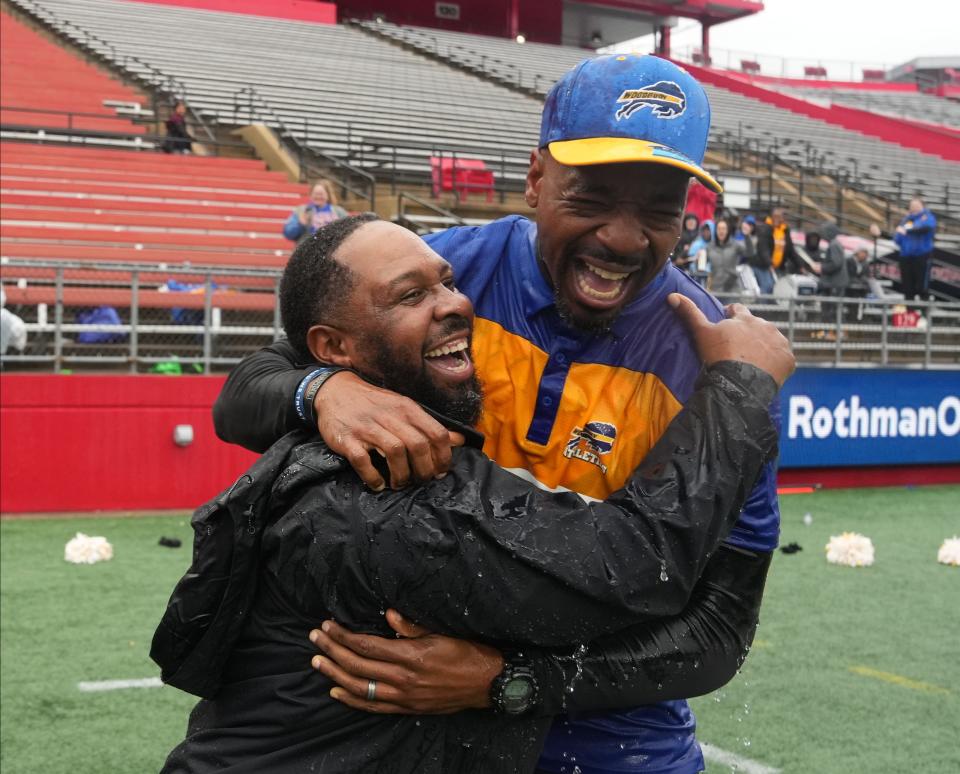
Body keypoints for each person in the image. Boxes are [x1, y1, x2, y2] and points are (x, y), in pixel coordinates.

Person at [213, 54, 785, 774]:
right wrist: (325, 389)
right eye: (594, 195)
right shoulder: (444, 276)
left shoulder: (725, 370)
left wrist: (505, 681)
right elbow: (243, 394)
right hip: (415, 732)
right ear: (537, 178)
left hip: (616, 744)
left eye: (659, 209)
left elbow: (720, 632)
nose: (622, 236)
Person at [887, 198, 937, 302]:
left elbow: (926, 228)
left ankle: (924, 314)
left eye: (916, 205)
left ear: (922, 206)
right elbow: (898, 237)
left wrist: (908, 231)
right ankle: (909, 312)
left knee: (922, 286)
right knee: (907, 287)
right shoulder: (907, 220)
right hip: (906, 255)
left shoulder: (927, 217)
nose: (914, 207)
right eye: (912, 205)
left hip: (922, 254)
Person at [753, 207, 803, 292]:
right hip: (764, 266)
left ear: (783, 218)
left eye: (779, 216)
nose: (777, 219)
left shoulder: (785, 231)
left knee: (782, 288)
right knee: (768, 286)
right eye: (775, 216)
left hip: (779, 267)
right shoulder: (765, 229)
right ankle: (763, 305)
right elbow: (763, 248)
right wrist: (769, 263)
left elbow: (791, 250)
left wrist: (800, 265)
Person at [283, 179, 349, 244]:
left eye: (321, 194)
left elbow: (349, 232)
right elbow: (288, 234)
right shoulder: (302, 210)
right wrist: (300, 224)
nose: (318, 196)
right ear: (311, 194)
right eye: (316, 194)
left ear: (328, 195)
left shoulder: (339, 212)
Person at [703, 217, 755, 295]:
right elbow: (701, 265)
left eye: (724, 229)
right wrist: (698, 259)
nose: (721, 231)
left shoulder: (735, 244)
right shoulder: (709, 247)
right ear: (715, 231)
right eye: (719, 229)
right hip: (716, 289)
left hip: (732, 288)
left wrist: (747, 236)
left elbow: (750, 253)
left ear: (728, 231)